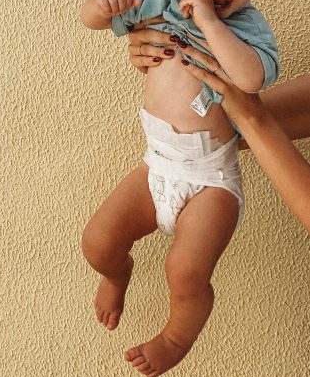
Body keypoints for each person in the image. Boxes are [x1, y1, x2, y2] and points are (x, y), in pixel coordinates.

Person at [79, 0, 279, 377]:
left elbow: (251, 79)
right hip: (158, 163)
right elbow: (91, 20)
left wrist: (208, 20)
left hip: (211, 179)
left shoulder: (249, 28)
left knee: (185, 271)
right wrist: (102, 6)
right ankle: (116, 273)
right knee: (97, 242)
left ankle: (175, 337)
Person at [126, 31, 310, 232]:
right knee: (101, 244)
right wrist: (173, 72)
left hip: (212, 182)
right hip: (158, 162)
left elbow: (252, 105)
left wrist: (250, 118)